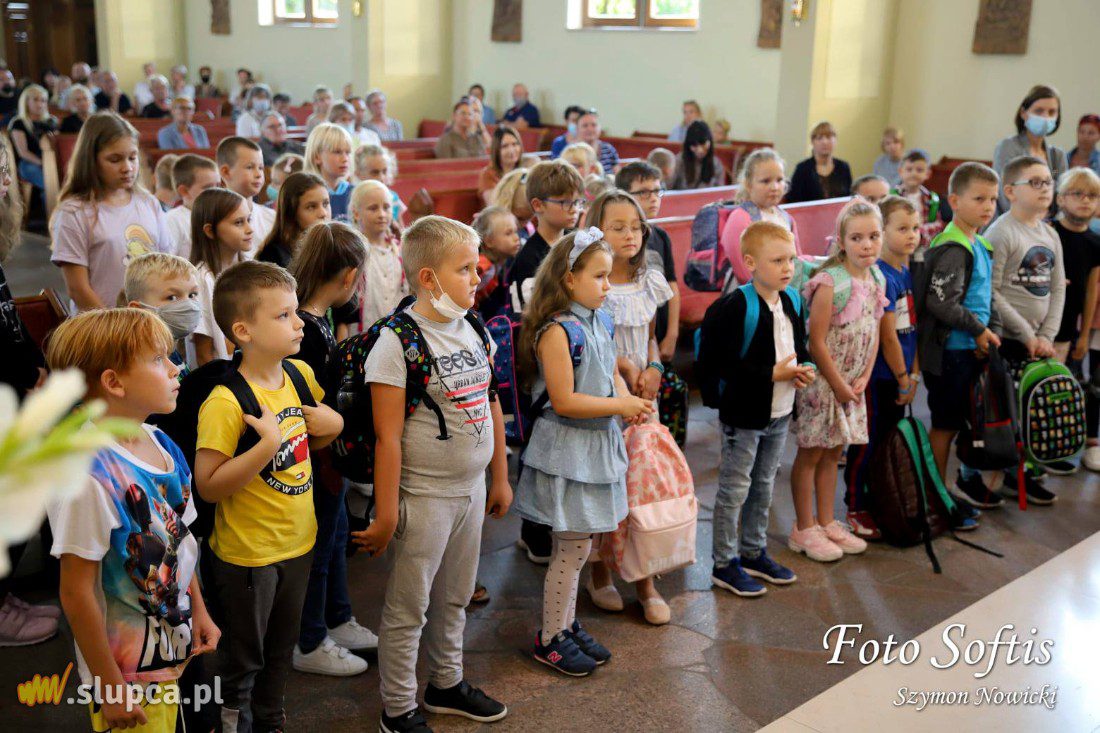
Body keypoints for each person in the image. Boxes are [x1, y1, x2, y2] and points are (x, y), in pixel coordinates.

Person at [354, 215, 510, 732]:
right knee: (409, 606)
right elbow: (388, 437)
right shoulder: (397, 343)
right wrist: (383, 511)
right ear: (428, 278)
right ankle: (398, 707)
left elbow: (490, 403)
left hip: (470, 489)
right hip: (423, 496)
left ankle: (446, 682)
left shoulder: (472, 325)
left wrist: (500, 476)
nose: (477, 277)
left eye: (476, 266)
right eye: (465, 269)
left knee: (456, 595)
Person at [46, 308, 220, 733]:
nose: (177, 368)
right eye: (159, 359)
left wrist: (199, 609)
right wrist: (109, 688)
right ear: (114, 382)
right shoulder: (87, 474)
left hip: (175, 647)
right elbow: (76, 591)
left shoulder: (162, 443)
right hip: (127, 674)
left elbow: (181, 542)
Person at [194, 260, 342, 731]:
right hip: (247, 557)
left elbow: (313, 433)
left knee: (280, 652)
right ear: (243, 330)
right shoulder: (225, 401)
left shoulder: (298, 375)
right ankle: (231, 722)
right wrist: (266, 446)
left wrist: (334, 424)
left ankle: (271, 721)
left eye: (296, 312)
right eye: (283, 316)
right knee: (243, 658)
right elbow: (209, 485)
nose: (299, 322)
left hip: (298, 543)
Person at [512, 226, 651, 676]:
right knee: (569, 550)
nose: (608, 286)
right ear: (569, 279)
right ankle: (550, 637)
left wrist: (624, 401)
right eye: (599, 277)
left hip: (596, 443)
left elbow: (609, 371)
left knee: (582, 546)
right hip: (568, 448)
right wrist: (619, 404)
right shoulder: (557, 331)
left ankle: (566, 626)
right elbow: (565, 400)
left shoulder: (600, 320)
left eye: (609, 276)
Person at [697, 221, 811, 595]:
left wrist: (803, 369)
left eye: (791, 259)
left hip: (779, 411)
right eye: (777, 260)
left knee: (763, 485)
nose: (787, 267)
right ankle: (724, 562)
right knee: (734, 488)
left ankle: (752, 551)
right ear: (750, 263)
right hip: (744, 415)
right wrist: (771, 373)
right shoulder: (734, 307)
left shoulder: (792, 300)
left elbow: (800, 347)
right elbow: (718, 363)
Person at [286, 222, 376, 676]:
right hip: (317, 459)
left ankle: (337, 619)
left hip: (329, 458)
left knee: (337, 538)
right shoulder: (304, 328)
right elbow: (312, 402)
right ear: (347, 277)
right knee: (320, 549)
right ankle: (309, 640)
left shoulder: (316, 320)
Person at [581, 191, 675, 623]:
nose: (630, 235)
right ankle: (599, 571)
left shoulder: (648, 280)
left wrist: (654, 366)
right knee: (606, 485)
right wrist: (622, 376)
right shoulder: (588, 283)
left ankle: (645, 579)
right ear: (597, 231)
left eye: (635, 226)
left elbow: (650, 337)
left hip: (642, 394)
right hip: (603, 396)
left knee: (642, 484)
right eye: (617, 227)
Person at [955, 156, 1066, 507]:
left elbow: (1058, 287)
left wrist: (1047, 335)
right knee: (994, 412)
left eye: (1048, 181)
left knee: (1029, 411)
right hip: (1007, 338)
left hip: (1039, 342)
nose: (1045, 188)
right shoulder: (1000, 232)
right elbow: (993, 290)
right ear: (1011, 191)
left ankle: (1021, 471)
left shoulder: (1050, 233)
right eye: (1035, 182)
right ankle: (974, 475)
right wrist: (1025, 332)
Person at [789, 200, 887, 562]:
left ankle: (827, 521)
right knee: (811, 452)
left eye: (874, 236)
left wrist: (863, 376)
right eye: (857, 237)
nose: (867, 245)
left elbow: (874, 330)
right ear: (842, 241)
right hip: (824, 384)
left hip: (852, 384)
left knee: (834, 452)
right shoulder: (831, 282)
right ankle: (803, 527)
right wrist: (839, 384)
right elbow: (816, 342)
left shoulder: (876, 278)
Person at [916, 163, 1003, 501]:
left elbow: (986, 296)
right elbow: (941, 304)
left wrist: (989, 334)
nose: (987, 206)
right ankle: (936, 493)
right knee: (945, 424)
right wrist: (979, 330)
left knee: (962, 423)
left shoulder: (979, 243)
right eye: (979, 198)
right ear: (954, 200)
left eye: (993, 200)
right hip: (951, 350)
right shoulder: (953, 248)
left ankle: (953, 486)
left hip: (971, 347)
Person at [842, 197, 925, 540]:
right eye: (902, 228)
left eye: (916, 228)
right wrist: (904, 375)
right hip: (879, 376)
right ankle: (855, 505)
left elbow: (912, 328)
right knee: (867, 442)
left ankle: (879, 496)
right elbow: (888, 336)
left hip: (901, 374)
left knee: (887, 441)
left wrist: (914, 371)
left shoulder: (905, 271)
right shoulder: (883, 277)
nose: (912, 235)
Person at [51, 113, 172, 312]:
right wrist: (117, 328)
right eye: (115, 160)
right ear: (91, 160)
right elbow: (78, 289)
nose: (127, 167)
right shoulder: (75, 212)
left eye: (132, 158)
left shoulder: (148, 202)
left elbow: (166, 265)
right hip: (101, 328)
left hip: (151, 322)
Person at [1052, 169, 1100, 471]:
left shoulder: (1095, 242)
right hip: (1046, 324)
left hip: (1072, 327)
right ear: (1061, 198)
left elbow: (1092, 288)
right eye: (1077, 194)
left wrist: (1084, 337)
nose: (1085, 201)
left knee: (1064, 390)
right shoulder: (1049, 232)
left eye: (1092, 196)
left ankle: (1056, 447)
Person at [616, 162, 680, 364]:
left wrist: (672, 334)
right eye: (643, 192)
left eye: (657, 191)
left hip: (657, 331)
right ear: (623, 195)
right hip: (625, 334)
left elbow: (672, 285)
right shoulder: (615, 238)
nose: (653, 198)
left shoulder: (660, 236)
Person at [509, 160, 586, 318]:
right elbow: (531, 314)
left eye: (577, 202)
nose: (575, 210)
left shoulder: (578, 241)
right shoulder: (529, 257)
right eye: (565, 202)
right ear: (538, 205)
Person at [187, 188, 253, 366]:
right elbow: (203, 353)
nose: (249, 229)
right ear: (210, 231)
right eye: (239, 222)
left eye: (249, 220)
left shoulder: (249, 267)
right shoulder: (201, 279)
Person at [717, 148, 800, 288]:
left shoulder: (787, 218)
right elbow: (743, 269)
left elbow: (797, 260)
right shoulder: (740, 218)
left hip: (780, 290)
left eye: (779, 180)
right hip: (748, 294)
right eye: (765, 181)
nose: (774, 187)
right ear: (749, 185)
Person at [123, 252, 202, 381]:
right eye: (172, 297)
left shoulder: (170, 352)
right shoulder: (138, 365)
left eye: (192, 295)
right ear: (138, 310)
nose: (188, 305)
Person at [993, 84, 1067, 214]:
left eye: (1051, 112)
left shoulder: (1057, 156)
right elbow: (1004, 195)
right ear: (1023, 113)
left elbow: (1062, 196)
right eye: (1039, 111)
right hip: (1009, 223)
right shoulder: (1008, 147)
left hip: (1046, 225)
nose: (1045, 117)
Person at [349, 180, 406, 330]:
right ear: (356, 212)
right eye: (373, 208)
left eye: (386, 207)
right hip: (363, 335)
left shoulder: (400, 251)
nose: (381, 214)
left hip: (396, 331)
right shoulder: (353, 253)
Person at [257, 171, 330, 268]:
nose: (323, 213)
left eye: (325, 204)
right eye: (311, 207)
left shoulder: (333, 246)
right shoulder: (273, 255)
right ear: (291, 212)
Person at [893, 148, 952, 259]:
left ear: (928, 174)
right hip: (897, 247)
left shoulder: (932, 199)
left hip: (922, 247)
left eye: (919, 170)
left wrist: (920, 232)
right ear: (901, 171)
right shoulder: (893, 197)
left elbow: (938, 224)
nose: (914, 173)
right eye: (909, 169)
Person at [217, 136, 276, 248]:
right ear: (226, 172)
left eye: (261, 168)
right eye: (250, 167)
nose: (258, 174)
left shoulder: (272, 218)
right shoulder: (216, 221)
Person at [165, 154, 221, 258]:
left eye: (218, 185)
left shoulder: (222, 216)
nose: (216, 192)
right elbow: (167, 263)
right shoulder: (173, 220)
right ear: (184, 191)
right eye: (208, 187)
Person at [471, 205, 520, 321]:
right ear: (489, 241)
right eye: (508, 233)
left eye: (516, 231)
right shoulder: (482, 266)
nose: (516, 238)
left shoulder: (501, 261)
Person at [788, 121, 852, 204]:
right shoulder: (802, 168)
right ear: (812, 142)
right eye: (819, 138)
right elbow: (793, 200)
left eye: (829, 137)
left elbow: (849, 197)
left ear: (835, 140)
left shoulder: (843, 167)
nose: (824, 142)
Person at [7, 84, 57, 190]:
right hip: (29, 163)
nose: (40, 104)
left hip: (51, 160)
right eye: (36, 100)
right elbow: (23, 152)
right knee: (50, 183)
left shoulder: (51, 121)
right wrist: (43, 163)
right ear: (26, 102)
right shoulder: (18, 123)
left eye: (43, 100)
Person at [305, 123, 355, 222]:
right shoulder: (307, 193)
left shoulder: (354, 192)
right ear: (317, 157)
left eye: (348, 152)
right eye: (337, 152)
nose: (345, 159)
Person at [554, 109, 618, 173]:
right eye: (585, 126)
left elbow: (617, 175)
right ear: (577, 129)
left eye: (594, 125)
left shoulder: (608, 149)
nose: (590, 129)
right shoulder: (570, 151)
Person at [671, 120, 725, 190]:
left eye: (703, 144)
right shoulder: (678, 161)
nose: (700, 150)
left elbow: (720, 192)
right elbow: (667, 189)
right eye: (694, 145)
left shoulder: (716, 164)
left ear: (710, 142)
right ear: (688, 145)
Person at [478, 125, 523, 204]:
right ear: (496, 150)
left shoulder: (525, 169)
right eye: (505, 146)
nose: (511, 150)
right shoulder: (488, 174)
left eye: (515, 144)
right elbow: (494, 205)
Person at [491, 168, 535, 244]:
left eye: (528, 219)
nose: (523, 225)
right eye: (519, 218)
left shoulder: (529, 228)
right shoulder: (492, 229)